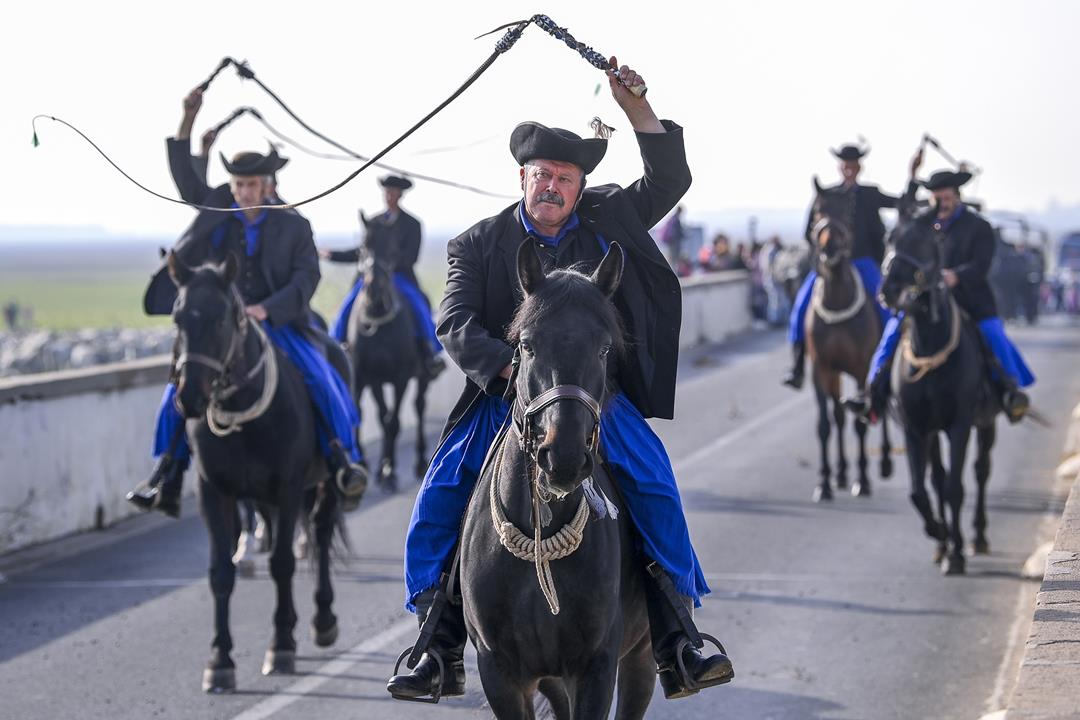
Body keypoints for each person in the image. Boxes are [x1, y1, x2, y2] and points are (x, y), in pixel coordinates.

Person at [386, 58, 733, 703]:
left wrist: (635, 110)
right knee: (438, 497)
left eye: (564, 178)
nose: (551, 186)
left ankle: (675, 635)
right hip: (506, 397)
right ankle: (436, 643)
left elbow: (670, 176)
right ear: (523, 178)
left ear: (579, 187)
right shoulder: (476, 244)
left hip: (593, 400)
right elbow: (456, 321)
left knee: (652, 480)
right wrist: (509, 369)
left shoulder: (612, 221)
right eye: (541, 175)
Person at [126, 93, 369, 518]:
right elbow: (186, 180)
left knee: (320, 377)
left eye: (252, 185)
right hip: (224, 327)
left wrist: (267, 309)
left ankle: (341, 459)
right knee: (179, 390)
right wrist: (187, 118)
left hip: (279, 323)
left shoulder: (294, 225)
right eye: (238, 185)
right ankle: (166, 470)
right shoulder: (216, 211)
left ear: (267, 184)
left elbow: (306, 278)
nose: (243, 192)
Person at [844, 165, 1034, 424]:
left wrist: (957, 275)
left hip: (968, 297)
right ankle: (872, 395)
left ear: (957, 196)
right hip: (924, 300)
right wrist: (911, 176)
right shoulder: (920, 226)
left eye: (945, 198)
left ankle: (1011, 393)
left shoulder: (977, 227)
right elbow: (903, 211)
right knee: (891, 334)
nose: (941, 204)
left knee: (992, 333)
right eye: (936, 199)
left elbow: (982, 264)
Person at [782, 144, 918, 389]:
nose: (849, 169)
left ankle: (891, 362)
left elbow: (903, 203)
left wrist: (912, 177)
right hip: (828, 265)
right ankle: (797, 366)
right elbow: (808, 233)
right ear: (840, 167)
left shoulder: (870, 193)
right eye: (845, 165)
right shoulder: (825, 194)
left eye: (853, 165)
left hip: (863, 260)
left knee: (887, 309)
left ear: (859, 167)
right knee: (801, 308)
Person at [321, 175, 445, 378]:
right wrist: (333, 255)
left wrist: (387, 267)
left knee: (418, 304)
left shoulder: (412, 224)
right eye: (386, 192)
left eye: (393, 192)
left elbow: (411, 256)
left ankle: (430, 351)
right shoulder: (375, 222)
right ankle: (338, 346)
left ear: (400, 195)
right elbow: (362, 252)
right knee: (349, 303)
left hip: (399, 277)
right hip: (371, 277)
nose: (389, 196)